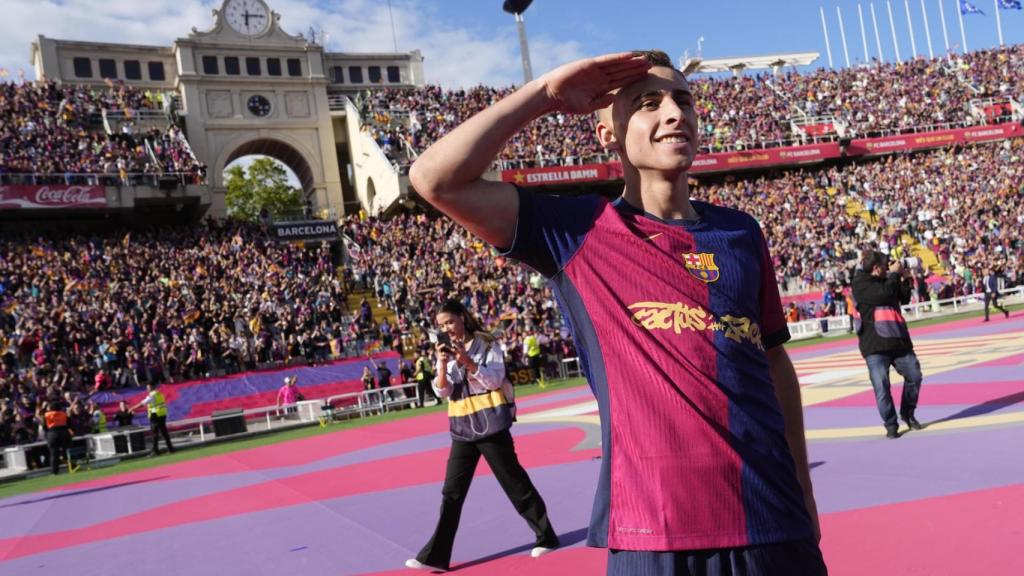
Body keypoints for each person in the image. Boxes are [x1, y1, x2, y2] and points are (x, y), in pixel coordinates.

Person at [408, 50, 824, 575]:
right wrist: (546, 95)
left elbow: (774, 363)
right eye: (648, 103)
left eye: (683, 100)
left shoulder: (740, 232)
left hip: (773, 522)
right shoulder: (577, 231)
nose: (674, 113)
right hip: (653, 534)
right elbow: (435, 180)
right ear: (608, 134)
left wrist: (804, 491)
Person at [406, 299, 559, 572]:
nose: (447, 328)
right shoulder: (444, 351)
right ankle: (436, 556)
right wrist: (442, 364)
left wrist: (466, 361)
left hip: (491, 425)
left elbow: (495, 380)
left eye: (450, 322)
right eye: (442, 325)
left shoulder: (487, 344)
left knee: (513, 482)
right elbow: (442, 391)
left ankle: (546, 536)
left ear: (462, 317)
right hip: (462, 428)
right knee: (451, 492)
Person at [852, 251, 924, 438]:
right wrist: (894, 275)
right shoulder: (859, 283)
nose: (888, 268)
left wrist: (905, 279)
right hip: (874, 344)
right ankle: (891, 424)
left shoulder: (889, 279)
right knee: (881, 386)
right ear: (876, 268)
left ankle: (908, 413)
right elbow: (883, 295)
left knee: (915, 376)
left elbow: (904, 298)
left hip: (898, 339)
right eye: (885, 266)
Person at [129, 382, 175, 456]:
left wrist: (133, 408)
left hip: (155, 415)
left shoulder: (152, 395)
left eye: (148, 387)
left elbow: (143, 403)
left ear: (152, 387)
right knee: (164, 432)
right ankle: (170, 449)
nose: (147, 389)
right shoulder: (159, 394)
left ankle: (155, 451)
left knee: (154, 434)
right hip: (162, 414)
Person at [38, 401, 72, 475]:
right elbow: (69, 424)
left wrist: (48, 433)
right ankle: (71, 465)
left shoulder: (46, 415)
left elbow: (44, 426)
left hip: (52, 434)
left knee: (53, 454)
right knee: (66, 451)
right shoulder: (63, 414)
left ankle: (54, 471)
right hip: (64, 433)